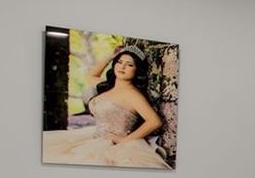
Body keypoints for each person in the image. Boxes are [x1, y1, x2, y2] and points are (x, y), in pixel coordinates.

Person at [42, 46, 171, 168]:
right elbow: (90, 75)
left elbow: (154, 121)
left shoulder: (133, 94)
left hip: (115, 146)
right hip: (94, 138)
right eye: (119, 62)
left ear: (137, 70)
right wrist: (111, 55)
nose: (122, 67)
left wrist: (125, 140)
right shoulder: (107, 87)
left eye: (130, 65)